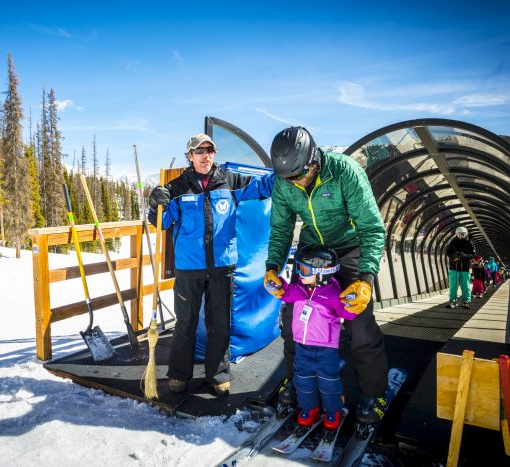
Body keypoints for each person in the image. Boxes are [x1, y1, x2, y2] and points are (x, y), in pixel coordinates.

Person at [263, 126, 388, 426]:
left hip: (348, 248)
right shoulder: (284, 182)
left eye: (299, 175)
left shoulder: (346, 172)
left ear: (313, 158)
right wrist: (273, 267)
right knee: (295, 320)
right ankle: (296, 381)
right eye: (288, 178)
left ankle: (374, 393)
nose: (294, 182)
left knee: (360, 324)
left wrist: (366, 279)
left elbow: (372, 228)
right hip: (310, 251)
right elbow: (281, 228)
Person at [148, 133, 273, 396]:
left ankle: (218, 376)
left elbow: (263, 187)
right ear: (190, 156)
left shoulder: (230, 182)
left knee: (219, 325)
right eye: (200, 151)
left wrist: (285, 172)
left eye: (210, 151)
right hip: (188, 270)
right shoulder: (176, 188)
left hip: (221, 268)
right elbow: (160, 223)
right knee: (185, 324)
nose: (206, 155)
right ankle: (179, 375)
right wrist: (154, 203)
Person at [269, 245, 358, 430]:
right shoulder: (299, 289)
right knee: (302, 380)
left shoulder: (333, 294)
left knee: (329, 382)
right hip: (302, 346)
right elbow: (285, 293)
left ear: (321, 273)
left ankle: (334, 410)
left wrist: (353, 302)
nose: (299, 273)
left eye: (304, 270)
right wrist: (277, 285)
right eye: (298, 268)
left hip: (326, 349)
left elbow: (348, 314)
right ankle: (309, 408)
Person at [445, 227, 474, 309]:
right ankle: (453, 300)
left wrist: (465, 256)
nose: (461, 236)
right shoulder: (452, 242)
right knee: (453, 285)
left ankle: (466, 301)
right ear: (456, 234)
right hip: (454, 267)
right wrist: (454, 255)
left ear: (466, 234)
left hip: (465, 267)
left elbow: (472, 255)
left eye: (463, 234)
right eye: (459, 234)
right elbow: (448, 253)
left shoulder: (469, 243)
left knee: (465, 285)